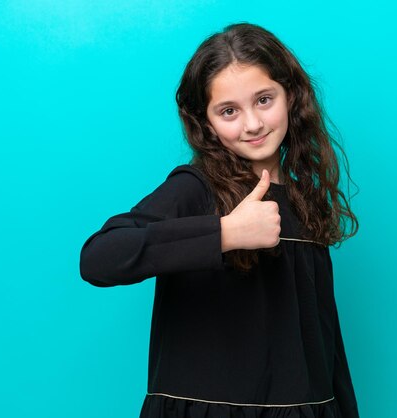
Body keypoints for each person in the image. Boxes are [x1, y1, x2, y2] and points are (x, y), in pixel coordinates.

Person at [80, 22, 360, 418]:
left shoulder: (304, 199)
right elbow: (99, 258)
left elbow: (327, 344)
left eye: (264, 100)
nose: (252, 124)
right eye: (229, 111)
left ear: (291, 96)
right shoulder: (195, 188)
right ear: (205, 121)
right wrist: (225, 232)